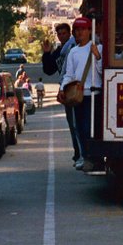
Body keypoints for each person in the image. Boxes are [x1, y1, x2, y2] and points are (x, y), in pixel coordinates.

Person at [59, 17, 102, 172]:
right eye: (77, 30)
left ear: (89, 31)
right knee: (79, 128)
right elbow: (69, 74)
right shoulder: (73, 52)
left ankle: (95, 158)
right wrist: (63, 89)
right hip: (79, 95)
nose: (79, 33)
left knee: (92, 128)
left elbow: (102, 71)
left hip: (94, 94)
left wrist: (97, 56)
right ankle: (86, 156)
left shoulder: (98, 48)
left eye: (83, 30)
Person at [42, 22, 80, 161]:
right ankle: (77, 152)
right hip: (67, 88)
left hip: (77, 87)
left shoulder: (73, 47)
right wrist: (46, 54)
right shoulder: (60, 51)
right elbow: (49, 69)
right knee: (72, 122)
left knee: (77, 122)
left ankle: (80, 152)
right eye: (59, 34)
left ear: (70, 33)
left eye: (64, 33)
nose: (62, 36)